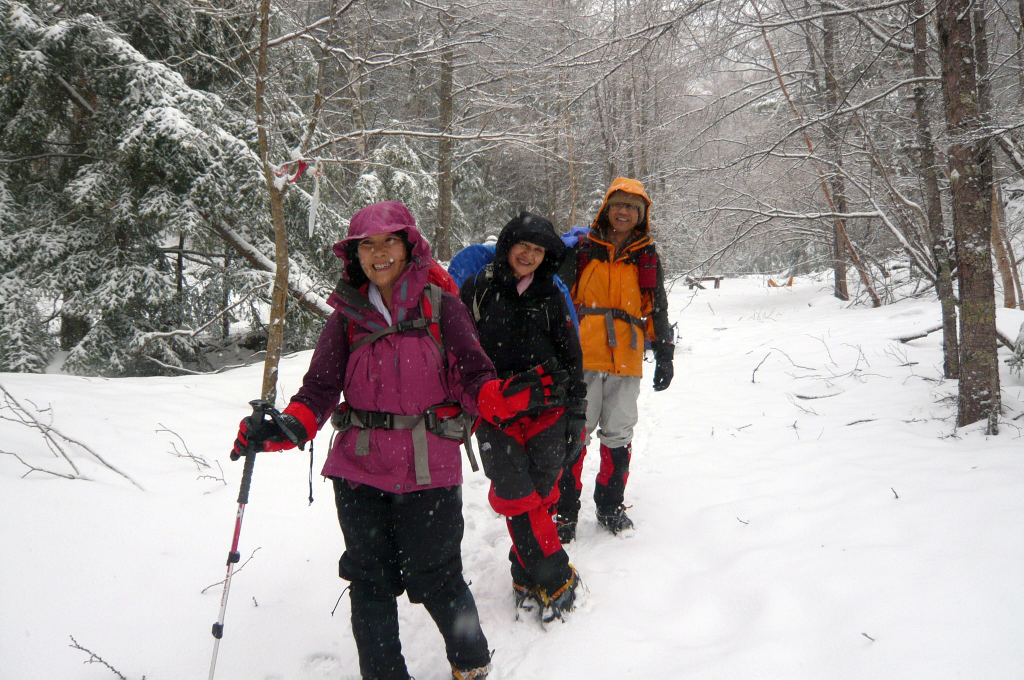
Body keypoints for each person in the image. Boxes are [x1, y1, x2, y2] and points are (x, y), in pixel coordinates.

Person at [231, 201, 565, 680]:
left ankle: (470, 660)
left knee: (438, 577)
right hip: (359, 472)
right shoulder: (346, 317)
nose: (379, 253)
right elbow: (319, 391)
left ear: (410, 246)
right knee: (369, 583)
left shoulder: (442, 306)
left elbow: (474, 380)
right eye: (368, 244)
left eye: (390, 241)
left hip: (429, 470)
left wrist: (503, 398)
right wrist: (286, 428)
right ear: (356, 256)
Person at [459, 212, 588, 624]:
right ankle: (555, 576)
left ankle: (522, 572)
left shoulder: (551, 293)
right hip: (495, 411)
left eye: (538, 250)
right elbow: (458, 351)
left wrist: (577, 414)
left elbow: (572, 355)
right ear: (507, 246)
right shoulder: (477, 289)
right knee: (517, 494)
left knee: (542, 492)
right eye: (523, 246)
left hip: (549, 409)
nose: (529, 256)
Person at [555, 178, 674, 542]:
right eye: (617, 204)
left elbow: (657, 307)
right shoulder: (583, 249)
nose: (623, 212)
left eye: (631, 207)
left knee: (619, 434)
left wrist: (665, 352)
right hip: (584, 357)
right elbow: (559, 301)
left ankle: (609, 506)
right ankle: (565, 512)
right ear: (607, 208)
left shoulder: (647, 255)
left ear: (641, 215)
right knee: (575, 434)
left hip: (627, 357)